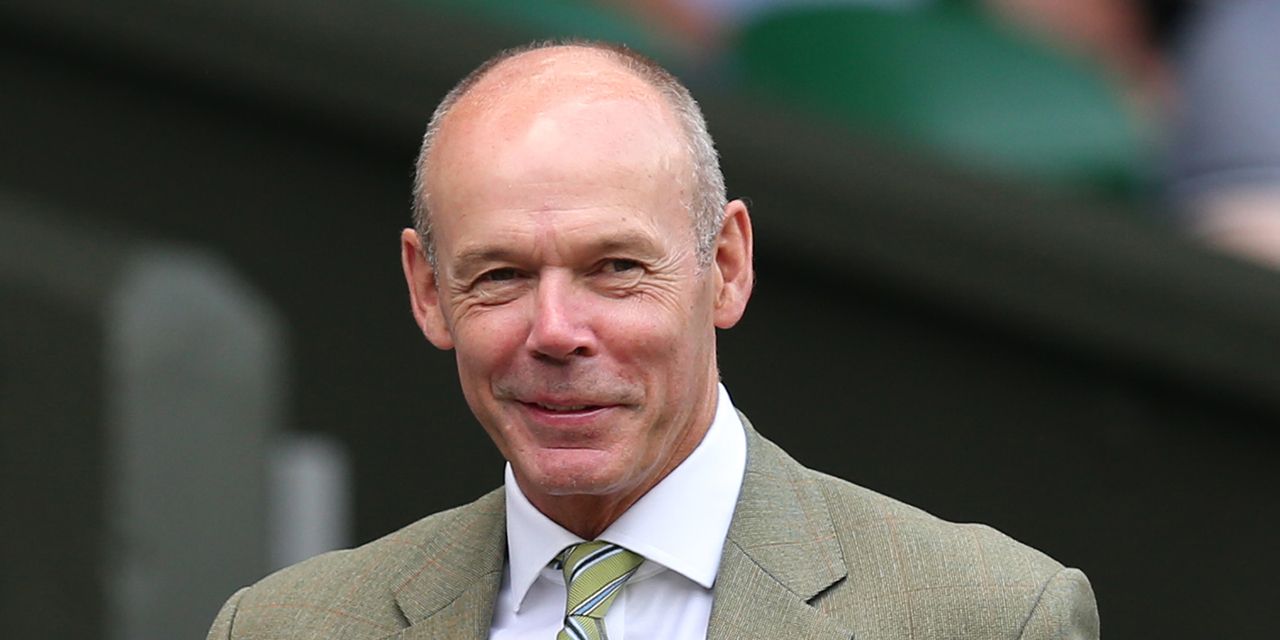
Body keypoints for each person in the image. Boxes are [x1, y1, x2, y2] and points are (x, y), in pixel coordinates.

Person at [206, 40, 1098, 639]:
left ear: (727, 266)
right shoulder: (288, 628)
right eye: (501, 275)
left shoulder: (987, 619)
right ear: (428, 291)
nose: (556, 332)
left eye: (616, 268)